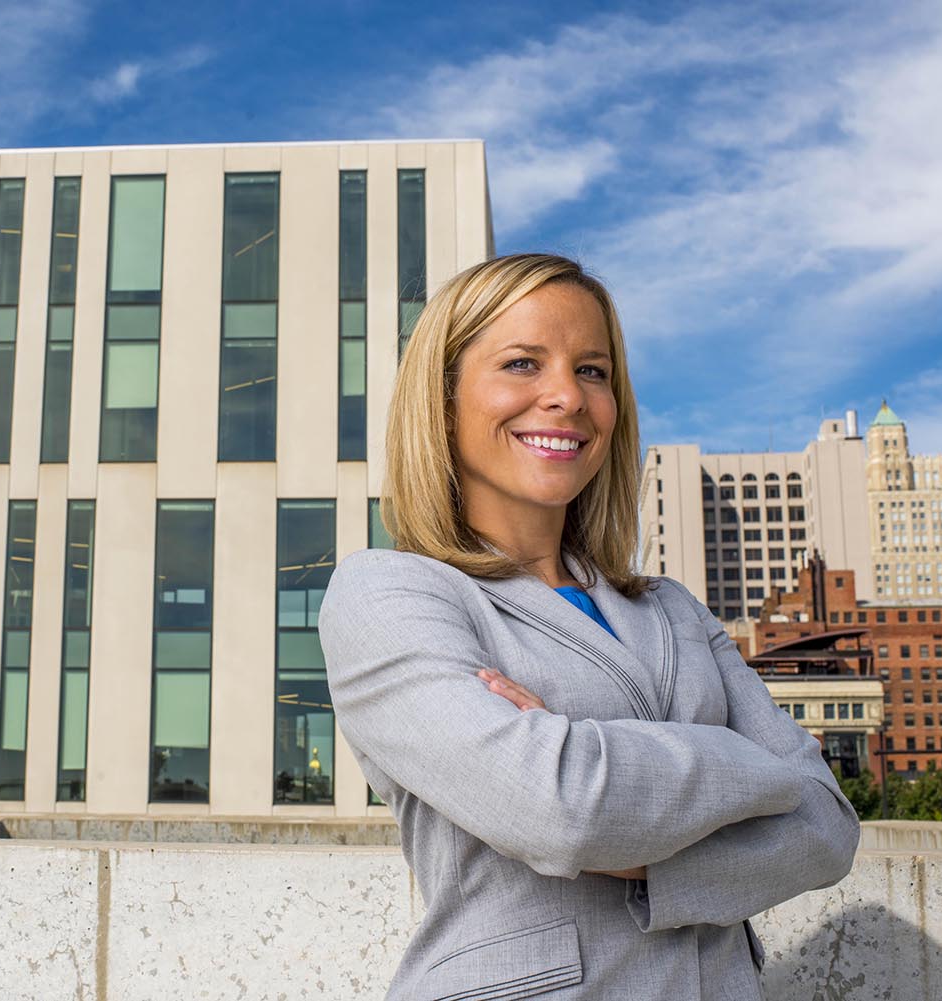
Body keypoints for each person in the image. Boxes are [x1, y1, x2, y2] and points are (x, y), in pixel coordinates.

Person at [318, 253, 859, 1000]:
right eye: (522, 363)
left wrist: (604, 787)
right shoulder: (390, 595)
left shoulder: (672, 608)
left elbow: (827, 826)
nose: (567, 396)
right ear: (442, 400)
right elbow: (561, 810)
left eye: (594, 370)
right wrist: (756, 771)